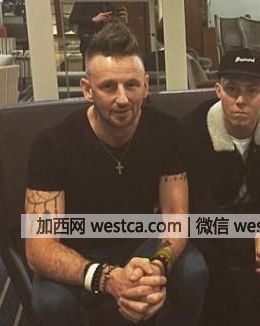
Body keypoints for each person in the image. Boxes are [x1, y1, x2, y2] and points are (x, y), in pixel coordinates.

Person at [25, 22, 208, 325]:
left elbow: (176, 217)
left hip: (141, 241)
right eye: (108, 87)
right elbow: (38, 248)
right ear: (87, 89)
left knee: (194, 271)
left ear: (145, 86)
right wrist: (107, 278)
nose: (122, 99)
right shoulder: (51, 144)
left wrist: (158, 266)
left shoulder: (168, 132)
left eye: (131, 85)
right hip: (77, 247)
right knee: (51, 301)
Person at [183, 47, 260, 325]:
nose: (241, 100)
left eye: (252, 90)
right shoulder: (193, 128)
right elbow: (199, 207)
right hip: (218, 231)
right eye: (232, 89)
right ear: (218, 90)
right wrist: (250, 240)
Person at [69, 0, 128, 64]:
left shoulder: (108, 5)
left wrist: (122, 20)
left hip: (105, 42)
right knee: (91, 67)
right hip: (89, 41)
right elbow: (73, 18)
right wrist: (93, 19)